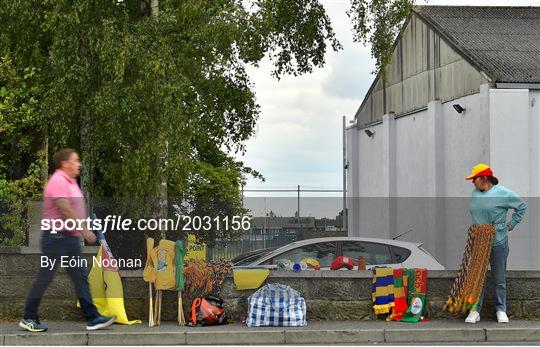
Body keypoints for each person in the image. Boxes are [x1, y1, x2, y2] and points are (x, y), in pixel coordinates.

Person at [19, 148, 116, 332]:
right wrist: (84, 229)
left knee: (80, 277)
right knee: (45, 277)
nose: (79, 164)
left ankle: (93, 318)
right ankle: (29, 317)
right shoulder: (57, 181)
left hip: (68, 239)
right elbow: (64, 208)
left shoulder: (70, 182)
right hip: (56, 237)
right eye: (76, 160)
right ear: (65, 163)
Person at [464, 163, 527, 324]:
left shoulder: (503, 193)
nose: (473, 182)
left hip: (498, 241)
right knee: (477, 278)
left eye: (475, 179)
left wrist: (511, 225)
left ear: (484, 178)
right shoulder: (475, 193)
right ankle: (475, 310)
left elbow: (521, 206)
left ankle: (501, 309)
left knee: (499, 278)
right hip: (479, 242)